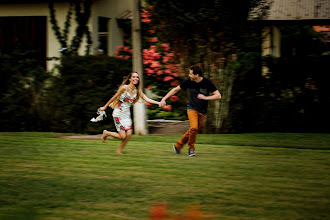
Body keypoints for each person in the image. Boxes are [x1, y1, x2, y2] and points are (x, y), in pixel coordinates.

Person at [160, 65, 221, 156]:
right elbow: (175, 90)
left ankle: (178, 145)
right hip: (192, 108)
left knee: (193, 130)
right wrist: (164, 99)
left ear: (197, 75)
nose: (189, 75)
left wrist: (205, 97)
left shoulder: (207, 82)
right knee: (194, 128)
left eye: (191, 74)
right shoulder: (189, 82)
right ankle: (191, 149)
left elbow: (218, 96)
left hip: (203, 111)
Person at [99, 71, 161, 154]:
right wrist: (104, 107)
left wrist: (158, 103)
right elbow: (114, 97)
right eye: (134, 77)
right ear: (130, 79)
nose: (136, 79)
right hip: (118, 114)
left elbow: (147, 99)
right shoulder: (124, 88)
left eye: (137, 77)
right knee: (122, 136)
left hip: (126, 115)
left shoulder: (137, 90)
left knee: (128, 135)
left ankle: (119, 151)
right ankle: (106, 133)